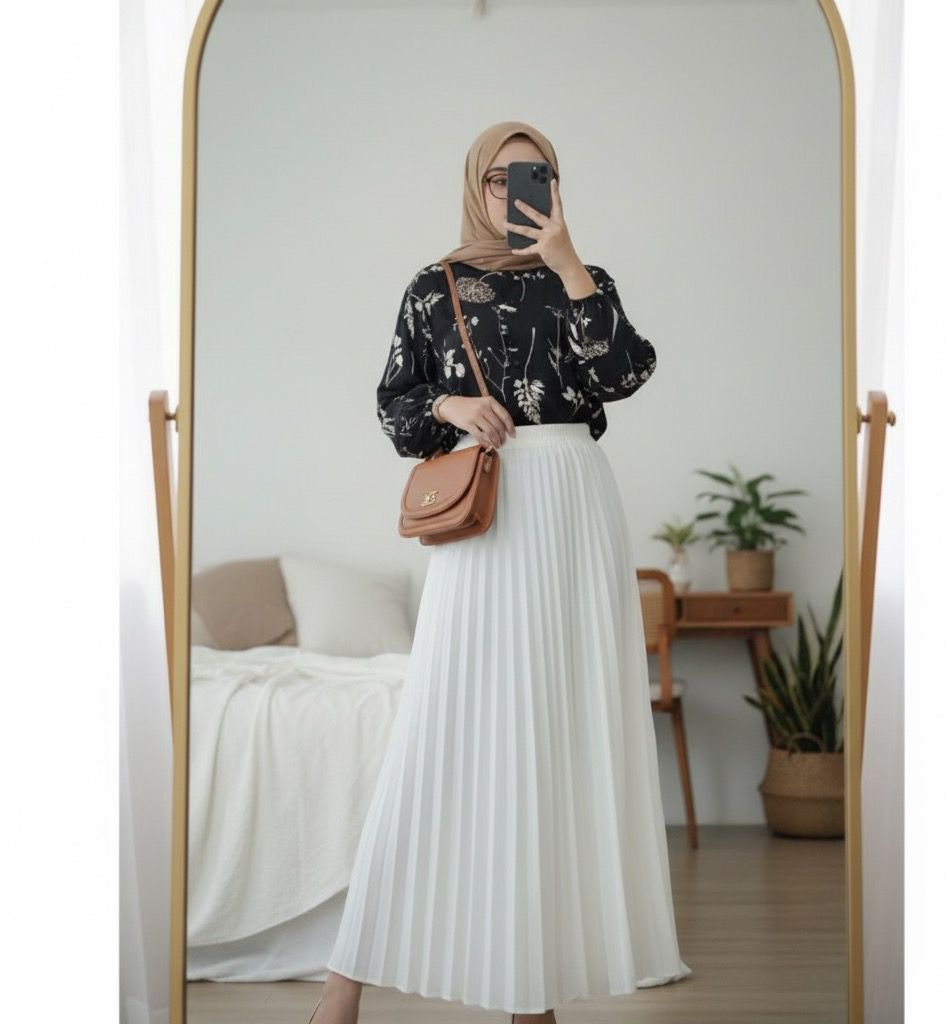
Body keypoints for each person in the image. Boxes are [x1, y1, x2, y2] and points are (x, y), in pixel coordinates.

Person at [308, 121, 692, 1024]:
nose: (519, 192)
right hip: (487, 513)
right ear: (475, 185)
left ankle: (531, 996)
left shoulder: (585, 279)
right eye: (502, 179)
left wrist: (569, 265)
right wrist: (451, 403)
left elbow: (626, 373)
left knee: (559, 735)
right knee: (441, 730)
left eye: (539, 175)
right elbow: (396, 406)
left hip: (575, 507)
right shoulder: (433, 286)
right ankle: (341, 987)